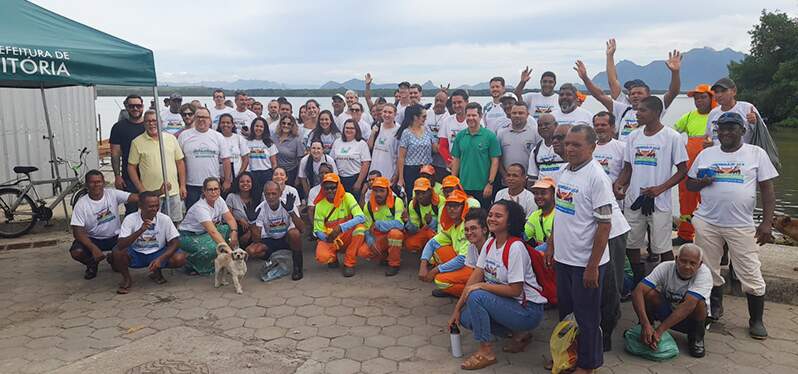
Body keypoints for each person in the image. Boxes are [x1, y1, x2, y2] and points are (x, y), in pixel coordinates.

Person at [686, 112, 778, 340]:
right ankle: (714, 309)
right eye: (722, 128)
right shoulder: (707, 154)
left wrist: (767, 223)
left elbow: (767, 190)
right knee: (707, 268)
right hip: (708, 222)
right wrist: (702, 182)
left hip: (741, 225)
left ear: (742, 131)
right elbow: (689, 184)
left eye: (731, 128)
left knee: (750, 270)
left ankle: (756, 319)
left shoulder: (756, 153)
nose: (725, 132)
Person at [546, 125, 615, 373]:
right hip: (564, 258)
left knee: (587, 318)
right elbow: (560, 214)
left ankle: (589, 364)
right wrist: (551, 246)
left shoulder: (597, 178)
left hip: (586, 263)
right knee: (567, 314)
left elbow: (605, 226)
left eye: (577, 145)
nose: (570, 149)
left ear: (592, 147)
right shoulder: (564, 171)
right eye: (568, 144)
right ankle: (567, 356)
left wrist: (592, 266)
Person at [449, 200, 546, 370]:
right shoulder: (489, 243)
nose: (492, 218)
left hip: (528, 310)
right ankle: (519, 335)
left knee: (476, 295)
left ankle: (486, 351)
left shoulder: (515, 247)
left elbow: (515, 290)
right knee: (465, 317)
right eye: (491, 215)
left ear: (510, 221)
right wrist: (456, 310)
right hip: (509, 305)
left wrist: (482, 287)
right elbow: (474, 278)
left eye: (498, 216)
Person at [614, 97, 688, 285]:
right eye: (637, 110)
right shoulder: (633, 136)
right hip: (634, 200)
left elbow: (682, 170)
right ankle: (639, 282)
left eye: (642, 110)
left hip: (659, 201)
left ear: (656, 112)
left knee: (663, 247)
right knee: (632, 244)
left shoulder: (672, 137)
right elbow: (628, 169)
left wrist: (660, 189)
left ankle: (670, 284)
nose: (637, 113)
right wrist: (619, 184)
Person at [632, 244, 710, 357]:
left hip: (689, 319)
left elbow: (689, 305)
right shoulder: (665, 267)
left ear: (700, 264)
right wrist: (645, 324)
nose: (687, 266)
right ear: (676, 259)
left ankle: (696, 338)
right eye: (683, 261)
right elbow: (638, 291)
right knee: (650, 294)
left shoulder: (704, 274)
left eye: (693, 263)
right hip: (668, 313)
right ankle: (647, 330)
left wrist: (660, 331)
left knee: (699, 303)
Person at [598, 40, 682, 142]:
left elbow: (673, 92)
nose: (635, 95)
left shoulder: (655, 106)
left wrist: (675, 72)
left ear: (648, 94)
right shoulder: (623, 106)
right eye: (631, 93)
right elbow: (612, 82)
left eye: (639, 93)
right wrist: (609, 56)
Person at [112, 191, 186, 294]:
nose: (155, 209)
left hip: (157, 252)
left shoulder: (164, 219)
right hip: (136, 254)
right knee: (117, 252)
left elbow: (176, 242)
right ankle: (126, 279)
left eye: (157, 206)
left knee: (180, 257)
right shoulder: (130, 219)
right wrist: (140, 230)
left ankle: (157, 271)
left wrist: (161, 259)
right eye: (151, 206)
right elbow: (121, 244)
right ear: (140, 206)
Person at [69, 170, 138, 279]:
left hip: (115, 237)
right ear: (86, 185)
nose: (96, 185)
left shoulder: (112, 193)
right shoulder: (81, 204)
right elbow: (78, 232)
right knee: (77, 252)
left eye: (99, 182)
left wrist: (156, 193)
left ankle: (112, 258)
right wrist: (93, 248)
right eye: (92, 182)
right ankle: (92, 263)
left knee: (119, 266)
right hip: (93, 238)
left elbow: (136, 198)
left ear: (104, 183)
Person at [673, 84, 715, 246]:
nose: (699, 101)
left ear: (712, 98)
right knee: (686, 201)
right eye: (696, 98)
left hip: (709, 170)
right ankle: (685, 234)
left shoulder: (717, 115)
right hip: (689, 169)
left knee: (709, 201)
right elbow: (672, 132)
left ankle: (710, 238)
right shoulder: (689, 116)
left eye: (703, 97)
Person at [128, 110, 187, 222]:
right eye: (148, 121)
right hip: (151, 194)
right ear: (144, 123)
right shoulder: (137, 142)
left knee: (174, 223)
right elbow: (131, 167)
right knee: (152, 224)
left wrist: (182, 185)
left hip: (173, 192)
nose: (151, 124)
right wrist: (141, 189)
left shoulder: (171, 139)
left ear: (160, 122)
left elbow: (180, 162)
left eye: (154, 121)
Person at [178, 177, 238, 275]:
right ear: (204, 191)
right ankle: (193, 264)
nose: (213, 192)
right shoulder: (200, 208)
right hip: (187, 236)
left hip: (204, 233)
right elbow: (212, 232)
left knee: (227, 229)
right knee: (212, 247)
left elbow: (230, 219)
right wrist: (230, 252)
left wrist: (234, 232)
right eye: (210, 189)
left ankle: (222, 260)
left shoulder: (219, 200)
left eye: (216, 189)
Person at [313, 173, 369, 277]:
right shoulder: (320, 205)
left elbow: (361, 217)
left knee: (360, 229)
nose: (330, 190)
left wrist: (341, 227)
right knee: (322, 257)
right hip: (331, 237)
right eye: (327, 188)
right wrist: (327, 238)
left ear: (338, 186)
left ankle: (349, 263)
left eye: (333, 187)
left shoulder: (347, 197)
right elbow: (317, 230)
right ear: (323, 189)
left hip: (346, 234)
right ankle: (333, 258)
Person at [419, 190, 472, 297]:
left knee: (440, 280)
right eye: (449, 206)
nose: (452, 209)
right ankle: (453, 287)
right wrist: (423, 265)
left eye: (456, 206)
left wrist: (434, 271)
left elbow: (463, 259)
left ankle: (469, 293)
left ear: (464, 207)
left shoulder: (467, 226)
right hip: (464, 262)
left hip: (474, 267)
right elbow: (432, 243)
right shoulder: (452, 225)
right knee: (438, 249)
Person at [248, 182, 305, 280]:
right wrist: (252, 223)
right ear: (264, 195)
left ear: (280, 193)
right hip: (270, 240)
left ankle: (297, 267)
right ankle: (274, 261)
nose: (270, 197)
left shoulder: (288, 204)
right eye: (267, 194)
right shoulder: (260, 208)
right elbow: (256, 239)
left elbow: (302, 229)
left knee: (294, 233)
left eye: (273, 193)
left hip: (286, 239)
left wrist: (291, 212)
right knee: (251, 250)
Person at [178, 107, 233, 209]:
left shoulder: (218, 136)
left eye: (204, 117)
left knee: (214, 215)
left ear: (210, 120)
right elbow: (180, 162)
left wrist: (227, 180)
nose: (201, 119)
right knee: (193, 215)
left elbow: (226, 160)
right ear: (194, 118)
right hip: (191, 185)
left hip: (212, 186)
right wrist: (182, 185)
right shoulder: (184, 136)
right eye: (198, 117)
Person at [451, 102, 501, 208]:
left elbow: (495, 161)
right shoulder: (460, 136)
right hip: (463, 186)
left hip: (483, 187)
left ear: (480, 116)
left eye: (474, 115)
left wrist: (490, 183)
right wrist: (453, 182)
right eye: (468, 115)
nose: (471, 118)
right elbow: (456, 160)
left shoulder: (490, 136)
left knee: (482, 216)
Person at [110, 94, 146, 215]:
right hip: (128, 177)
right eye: (132, 106)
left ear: (143, 107)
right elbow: (115, 153)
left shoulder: (150, 126)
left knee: (151, 209)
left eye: (138, 106)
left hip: (149, 175)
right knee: (131, 210)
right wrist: (117, 176)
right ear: (126, 107)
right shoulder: (118, 127)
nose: (135, 109)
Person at [362, 176, 405, 276]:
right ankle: (384, 257)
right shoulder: (368, 205)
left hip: (393, 234)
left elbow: (400, 224)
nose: (378, 194)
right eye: (375, 191)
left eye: (381, 191)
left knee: (395, 234)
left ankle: (394, 264)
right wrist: (369, 240)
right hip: (379, 236)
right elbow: (367, 228)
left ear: (387, 190)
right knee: (363, 252)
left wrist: (378, 224)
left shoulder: (397, 201)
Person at [705, 77, 763, 145]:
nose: (719, 95)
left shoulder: (747, 108)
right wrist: (708, 143)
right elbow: (708, 136)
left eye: (723, 91)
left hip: (744, 154)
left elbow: (761, 133)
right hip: (719, 154)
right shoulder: (713, 113)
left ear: (734, 91)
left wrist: (755, 122)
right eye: (716, 92)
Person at [497, 102, 541, 188]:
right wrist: (505, 176)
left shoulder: (535, 132)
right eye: (514, 113)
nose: (517, 115)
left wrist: (531, 177)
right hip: (508, 181)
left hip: (529, 181)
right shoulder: (501, 133)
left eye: (521, 113)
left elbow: (538, 156)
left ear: (527, 115)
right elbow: (498, 158)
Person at [397, 104, 439, 191]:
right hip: (411, 170)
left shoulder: (427, 130)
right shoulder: (406, 133)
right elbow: (401, 157)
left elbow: (435, 148)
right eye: (423, 116)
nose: (425, 119)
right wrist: (401, 178)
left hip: (427, 169)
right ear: (415, 117)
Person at [404, 178, 445, 252]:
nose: (420, 196)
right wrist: (407, 222)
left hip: (439, 232)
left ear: (430, 191)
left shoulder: (440, 201)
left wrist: (431, 222)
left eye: (423, 193)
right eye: (417, 193)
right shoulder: (413, 204)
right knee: (410, 244)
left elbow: (443, 225)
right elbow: (415, 229)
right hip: (424, 230)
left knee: (433, 237)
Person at [331, 119, 371, 195]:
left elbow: (366, 164)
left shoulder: (361, 144)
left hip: (355, 178)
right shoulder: (337, 142)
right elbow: (332, 160)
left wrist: (358, 182)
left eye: (352, 128)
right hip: (340, 179)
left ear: (356, 130)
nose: (349, 130)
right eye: (347, 128)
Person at [246, 117, 279, 201]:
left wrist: (272, 176)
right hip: (252, 173)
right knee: (254, 197)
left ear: (265, 129)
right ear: (253, 127)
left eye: (261, 127)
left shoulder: (269, 143)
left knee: (267, 197)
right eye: (256, 126)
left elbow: (274, 163)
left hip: (266, 173)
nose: (258, 128)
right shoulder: (247, 142)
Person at [526, 113, 564, 183]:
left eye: (546, 124)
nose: (543, 127)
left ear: (556, 125)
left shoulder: (565, 146)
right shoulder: (535, 151)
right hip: (544, 192)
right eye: (540, 125)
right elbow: (532, 178)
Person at [368, 104, 400, 184]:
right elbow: (369, 146)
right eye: (385, 112)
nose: (387, 115)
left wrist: (396, 174)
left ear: (395, 114)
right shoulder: (377, 126)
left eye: (390, 112)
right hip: (374, 171)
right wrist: (372, 134)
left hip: (389, 172)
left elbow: (400, 156)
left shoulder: (398, 130)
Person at [225, 172, 258, 248]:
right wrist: (239, 220)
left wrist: (250, 232)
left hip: (253, 229)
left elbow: (261, 219)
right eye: (242, 182)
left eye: (248, 181)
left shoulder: (257, 197)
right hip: (236, 228)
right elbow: (227, 216)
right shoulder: (231, 197)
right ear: (238, 183)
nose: (245, 184)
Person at [438, 89, 469, 168]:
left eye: (459, 102)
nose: (456, 105)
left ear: (467, 102)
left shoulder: (474, 120)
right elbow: (442, 146)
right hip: (452, 165)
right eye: (454, 103)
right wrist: (450, 162)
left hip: (470, 165)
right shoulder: (447, 121)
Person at [274, 115, 306, 189]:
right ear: (280, 124)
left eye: (289, 124)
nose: (286, 125)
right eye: (283, 123)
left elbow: (301, 160)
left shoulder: (297, 140)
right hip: (276, 172)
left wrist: (298, 177)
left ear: (292, 126)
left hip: (291, 173)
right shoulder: (274, 137)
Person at [523, 177, 555, 248]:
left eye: (543, 193)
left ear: (553, 195)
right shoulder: (535, 215)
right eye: (536, 193)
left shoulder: (559, 215)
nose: (539, 196)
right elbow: (525, 236)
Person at [425, 89, 451, 176]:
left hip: (442, 159)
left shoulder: (448, 117)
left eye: (442, 101)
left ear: (446, 102)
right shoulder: (427, 114)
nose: (439, 103)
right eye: (437, 100)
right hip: (428, 155)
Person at [217, 113, 250, 179]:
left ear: (232, 125)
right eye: (223, 122)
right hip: (221, 177)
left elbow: (245, 159)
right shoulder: (216, 138)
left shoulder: (239, 138)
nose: (225, 124)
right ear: (219, 124)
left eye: (228, 122)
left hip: (237, 177)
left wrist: (240, 175)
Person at [306, 163, 335, 230]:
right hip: (320, 224)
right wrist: (316, 228)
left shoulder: (338, 188)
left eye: (326, 172)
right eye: (321, 172)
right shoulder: (313, 191)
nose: (324, 175)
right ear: (318, 174)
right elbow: (310, 211)